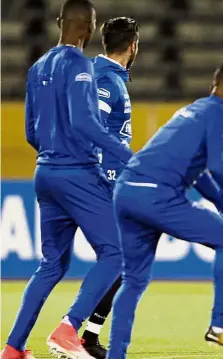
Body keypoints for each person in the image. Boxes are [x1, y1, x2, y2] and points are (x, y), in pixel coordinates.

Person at [107, 62, 223, 358]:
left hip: (126, 192)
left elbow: (201, 175)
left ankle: (115, 355)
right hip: (157, 196)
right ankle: (219, 326)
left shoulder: (193, 110)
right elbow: (219, 167)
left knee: (133, 280)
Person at [1, 1, 133, 359]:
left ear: (60, 22)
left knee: (52, 265)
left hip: (44, 172)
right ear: (89, 28)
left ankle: (13, 348)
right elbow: (86, 123)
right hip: (76, 172)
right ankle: (68, 328)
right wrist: (130, 158)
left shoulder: (38, 65)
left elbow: (30, 131)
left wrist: (52, 152)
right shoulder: (80, 65)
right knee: (117, 252)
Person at [81, 16, 139, 359]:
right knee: (120, 258)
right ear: (133, 46)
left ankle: (85, 334)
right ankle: (77, 333)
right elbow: (94, 128)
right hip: (104, 181)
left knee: (121, 259)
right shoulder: (105, 78)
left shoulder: (108, 76)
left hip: (111, 179)